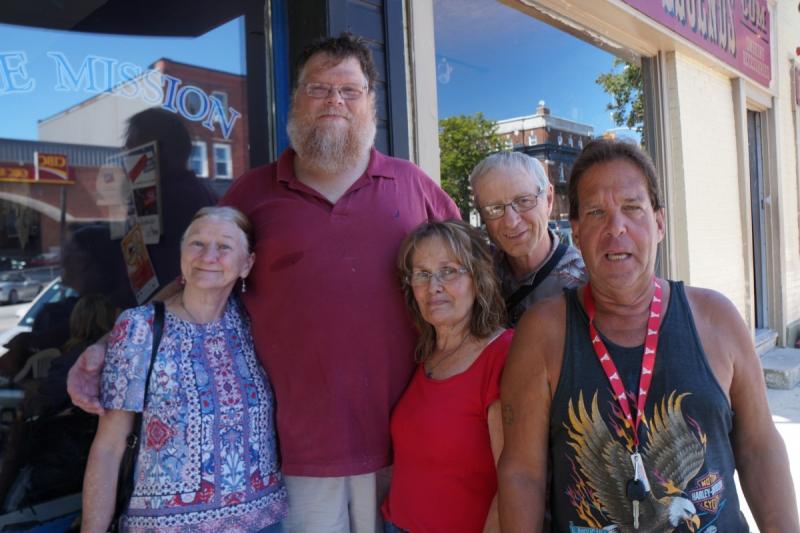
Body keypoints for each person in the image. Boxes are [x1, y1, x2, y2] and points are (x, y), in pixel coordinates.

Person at [69, 33, 459, 532]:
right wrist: (109, 345)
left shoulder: (414, 185)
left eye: (350, 90)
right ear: (295, 99)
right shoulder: (251, 193)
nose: (335, 101)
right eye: (319, 88)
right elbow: (196, 282)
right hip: (295, 455)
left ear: (371, 103)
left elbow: (470, 283)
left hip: (411, 442)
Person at [497, 139, 800, 532]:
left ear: (659, 223)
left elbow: (759, 447)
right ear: (577, 231)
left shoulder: (717, 318)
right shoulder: (543, 332)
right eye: (596, 212)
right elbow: (522, 473)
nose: (615, 227)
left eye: (632, 207)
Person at [81, 206, 287, 532]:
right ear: (181, 255)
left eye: (224, 246)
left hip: (262, 521)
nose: (208, 256)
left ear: (247, 264)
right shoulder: (139, 328)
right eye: (197, 243)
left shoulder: (254, 323)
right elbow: (109, 446)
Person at [381, 220, 509, 533]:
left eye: (448, 271)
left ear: (477, 278)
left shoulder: (502, 354)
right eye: (422, 274)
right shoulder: (424, 354)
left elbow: (513, 483)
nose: (433, 286)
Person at [470, 151, 585, 326]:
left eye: (523, 201)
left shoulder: (587, 283)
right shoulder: (474, 281)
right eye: (494, 208)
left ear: (548, 199)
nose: (511, 222)